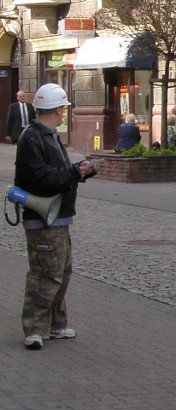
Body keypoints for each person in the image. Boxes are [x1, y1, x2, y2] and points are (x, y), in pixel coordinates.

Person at [14, 83, 96, 350]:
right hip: (43, 217)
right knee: (45, 274)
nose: (64, 114)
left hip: (58, 215)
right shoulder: (33, 137)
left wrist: (78, 171)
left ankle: (56, 324)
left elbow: (55, 172)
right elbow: (43, 177)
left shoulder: (46, 134)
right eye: (63, 109)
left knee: (61, 270)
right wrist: (75, 173)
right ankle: (35, 329)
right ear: (56, 110)